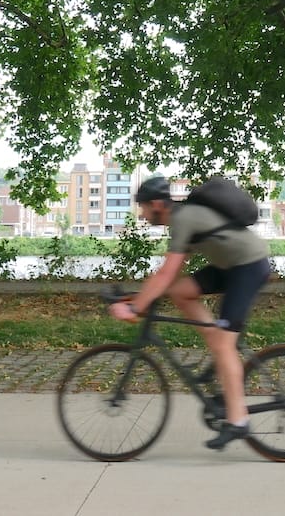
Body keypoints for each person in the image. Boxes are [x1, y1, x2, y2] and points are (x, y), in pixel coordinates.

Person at [109, 176, 271, 450]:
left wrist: (135, 307)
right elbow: (169, 280)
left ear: (157, 204)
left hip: (248, 267)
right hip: (229, 265)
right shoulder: (182, 220)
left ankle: (238, 422)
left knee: (225, 346)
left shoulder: (184, 219)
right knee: (180, 291)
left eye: (144, 208)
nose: (143, 214)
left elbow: (166, 273)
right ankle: (215, 340)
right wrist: (136, 297)